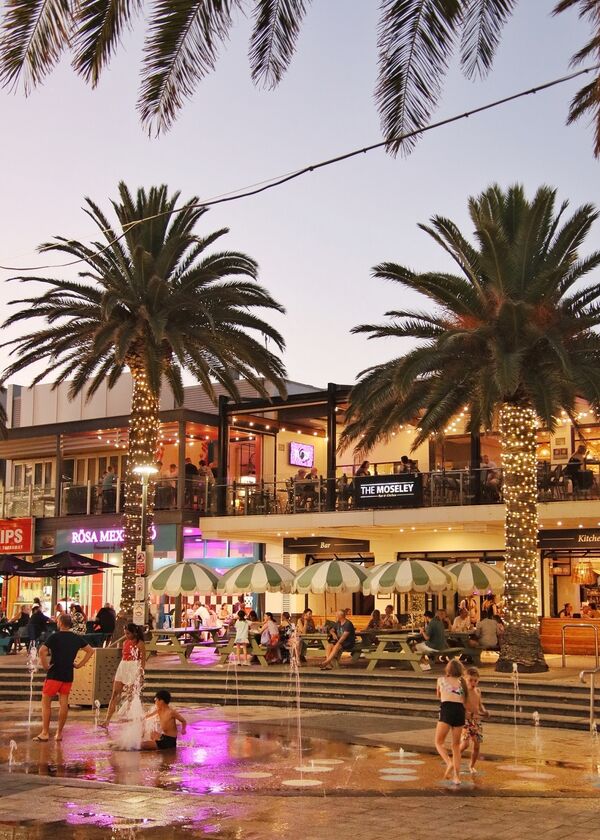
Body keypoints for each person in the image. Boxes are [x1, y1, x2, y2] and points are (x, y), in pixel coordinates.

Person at [34, 613, 94, 742]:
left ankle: (45, 732)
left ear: (60, 623)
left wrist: (45, 665)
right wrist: (79, 664)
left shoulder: (54, 637)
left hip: (54, 673)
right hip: (68, 674)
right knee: (64, 703)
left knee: (46, 702)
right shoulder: (76, 638)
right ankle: (59, 733)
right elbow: (90, 650)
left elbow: (41, 651)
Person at [101, 623, 146, 727]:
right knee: (114, 693)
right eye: (125, 633)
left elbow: (143, 660)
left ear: (134, 633)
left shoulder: (140, 643)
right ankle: (107, 720)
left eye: (128, 633)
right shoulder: (125, 642)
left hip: (133, 666)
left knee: (131, 695)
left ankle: (133, 720)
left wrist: (141, 673)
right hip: (123, 666)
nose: (126, 635)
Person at [435, 659, 468, 785]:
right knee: (456, 746)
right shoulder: (462, 683)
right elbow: (464, 700)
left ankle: (448, 762)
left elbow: (438, 695)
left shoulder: (441, 680)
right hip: (459, 711)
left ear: (448, 670)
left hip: (447, 710)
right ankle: (457, 777)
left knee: (438, 742)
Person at [460, 666, 489, 774]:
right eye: (470, 680)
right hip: (466, 721)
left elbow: (480, 705)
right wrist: (468, 713)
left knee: (477, 745)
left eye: (475, 680)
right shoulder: (464, 692)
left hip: (476, 721)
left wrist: (484, 711)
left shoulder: (478, 691)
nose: (473, 683)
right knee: (465, 744)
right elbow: (461, 706)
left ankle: (471, 765)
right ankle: (454, 758)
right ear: (464, 679)